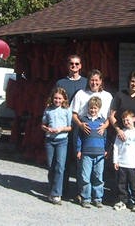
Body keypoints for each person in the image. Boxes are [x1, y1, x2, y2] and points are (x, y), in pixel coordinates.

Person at [71, 69, 113, 199]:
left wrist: (106, 125)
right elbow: (74, 113)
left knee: (97, 171)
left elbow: (111, 115)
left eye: (97, 80)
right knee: (83, 167)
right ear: (88, 81)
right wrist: (81, 125)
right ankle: (83, 194)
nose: (94, 82)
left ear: (101, 81)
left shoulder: (107, 96)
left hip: (100, 133)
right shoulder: (81, 94)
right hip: (83, 130)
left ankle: (96, 196)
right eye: (92, 80)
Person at [55, 54, 88, 196]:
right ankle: (62, 190)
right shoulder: (61, 83)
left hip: (82, 126)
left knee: (81, 161)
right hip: (65, 126)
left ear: (80, 66)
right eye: (71, 64)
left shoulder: (87, 83)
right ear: (67, 65)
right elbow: (54, 104)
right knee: (64, 161)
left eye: (76, 64)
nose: (74, 66)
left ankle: (81, 193)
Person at [41, 87, 72, 205]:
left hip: (62, 141)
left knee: (60, 166)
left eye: (60, 98)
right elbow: (43, 124)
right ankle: (51, 189)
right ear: (52, 98)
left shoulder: (67, 110)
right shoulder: (48, 109)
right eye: (55, 98)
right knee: (51, 166)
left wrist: (61, 129)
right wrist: (47, 128)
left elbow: (70, 127)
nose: (57, 100)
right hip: (49, 140)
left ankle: (56, 194)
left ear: (64, 99)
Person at [109, 69, 135, 152]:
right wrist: (118, 130)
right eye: (132, 81)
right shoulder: (120, 95)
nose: (134, 84)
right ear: (129, 81)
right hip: (122, 136)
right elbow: (111, 116)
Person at [76, 96, 106, 208]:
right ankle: (86, 198)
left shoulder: (102, 121)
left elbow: (105, 137)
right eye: (91, 108)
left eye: (95, 108)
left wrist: (105, 149)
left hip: (100, 153)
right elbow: (79, 137)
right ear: (88, 108)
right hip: (86, 152)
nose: (93, 110)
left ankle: (98, 198)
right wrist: (79, 150)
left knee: (98, 176)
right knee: (85, 176)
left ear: (99, 109)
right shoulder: (84, 120)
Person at [113, 110, 135, 213]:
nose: (126, 122)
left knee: (134, 186)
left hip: (133, 164)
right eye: (124, 120)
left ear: (134, 119)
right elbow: (116, 147)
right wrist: (115, 161)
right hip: (122, 163)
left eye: (128, 120)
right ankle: (123, 201)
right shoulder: (121, 132)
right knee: (121, 185)